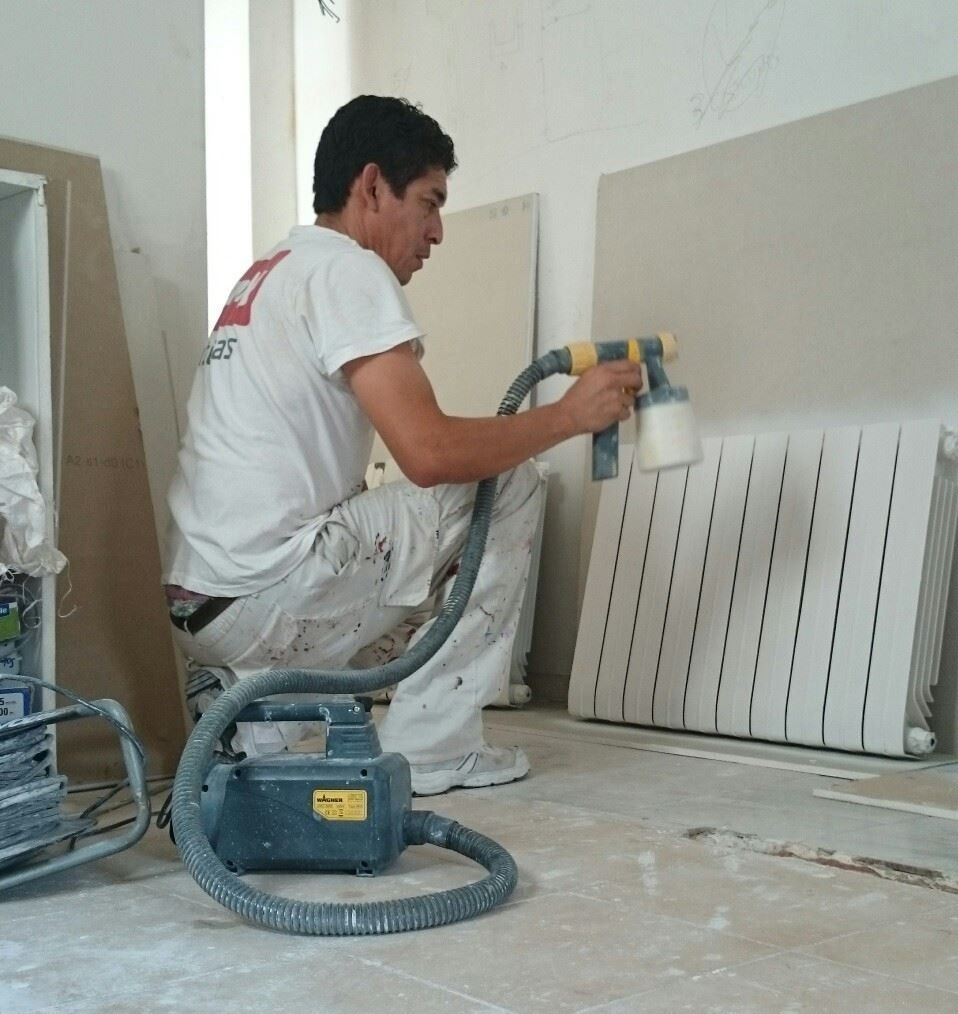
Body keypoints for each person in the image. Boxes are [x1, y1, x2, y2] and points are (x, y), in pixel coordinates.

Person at [163, 95, 642, 794]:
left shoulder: (269, 273)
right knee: (508, 484)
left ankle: (259, 719)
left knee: (406, 544)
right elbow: (430, 453)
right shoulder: (347, 270)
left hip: (203, 604)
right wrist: (570, 415)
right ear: (371, 187)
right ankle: (434, 747)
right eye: (429, 200)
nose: (438, 230)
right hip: (270, 595)